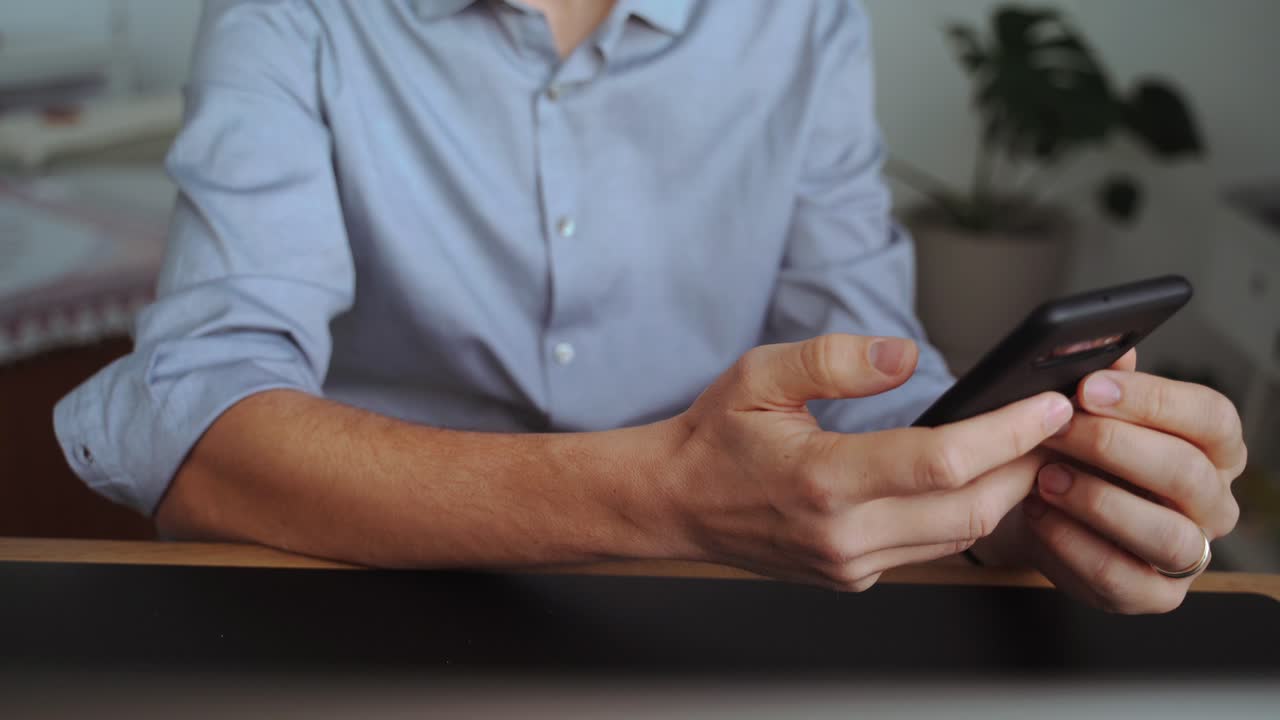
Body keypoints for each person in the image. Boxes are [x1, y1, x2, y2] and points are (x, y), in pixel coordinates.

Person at [55, 0, 1244, 613]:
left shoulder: (798, 18)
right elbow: (202, 442)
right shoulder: (295, 13)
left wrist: (1005, 493)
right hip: (358, 594)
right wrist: (668, 494)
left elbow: (868, 390)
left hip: (708, 623)